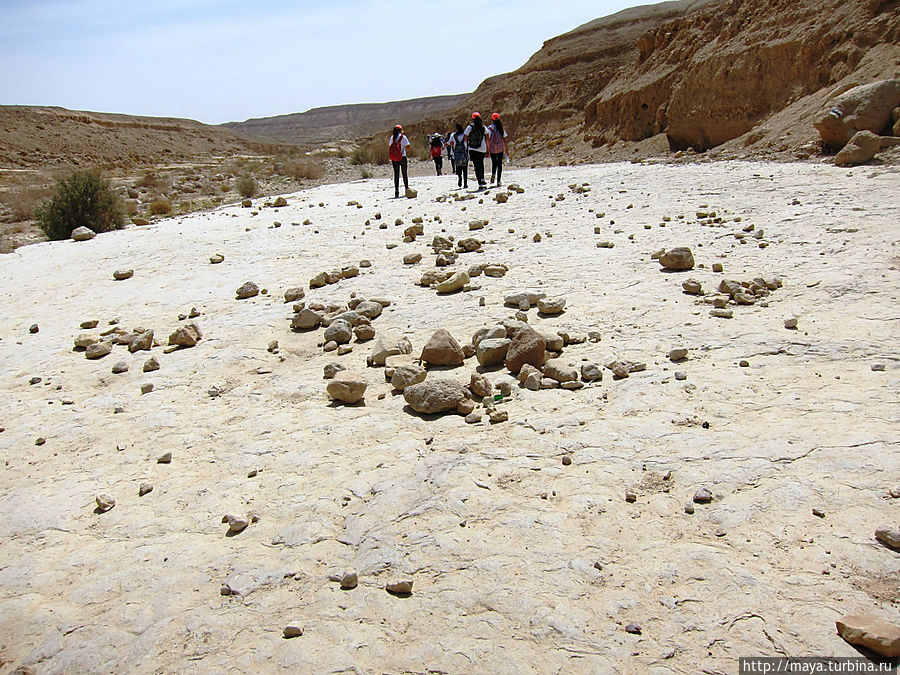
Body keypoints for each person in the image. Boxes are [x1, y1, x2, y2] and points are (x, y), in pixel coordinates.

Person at [464, 112, 489, 189]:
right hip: (482, 148)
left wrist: (466, 148)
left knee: (476, 166)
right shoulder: (483, 127)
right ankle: (482, 179)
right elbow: (487, 138)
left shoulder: (470, 127)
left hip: (472, 149)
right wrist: (488, 148)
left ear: (472, 119)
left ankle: (480, 183)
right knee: (481, 164)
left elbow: (465, 139)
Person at [388, 124, 410, 198]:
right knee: (404, 174)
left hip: (394, 158)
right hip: (402, 157)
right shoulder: (403, 137)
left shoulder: (392, 138)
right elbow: (408, 146)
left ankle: (396, 191)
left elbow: (390, 145)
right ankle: (407, 189)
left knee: (396, 175)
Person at [487, 112, 509, 186]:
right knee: (499, 164)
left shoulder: (490, 128)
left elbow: (488, 139)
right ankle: (499, 180)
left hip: (493, 148)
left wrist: (488, 148)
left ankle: (493, 174)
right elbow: (505, 139)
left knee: (494, 163)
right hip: (500, 148)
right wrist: (506, 149)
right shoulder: (501, 128)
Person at [448, 123, 468, 189]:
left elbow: (449, 143)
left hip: (456, 154)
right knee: (465, 169)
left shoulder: (453, 135)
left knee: (458, 168)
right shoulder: (465, 135)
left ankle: (460, 178)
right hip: (464, 154)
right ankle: (465, 183)